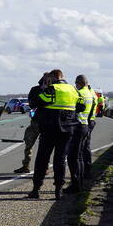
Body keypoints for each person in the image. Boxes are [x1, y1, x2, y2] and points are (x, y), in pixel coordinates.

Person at [27, 69, 81, 200]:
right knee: (60, 160)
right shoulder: (73, 90)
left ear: (52, 77)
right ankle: (58, 190)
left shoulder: (52, 89)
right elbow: (82, 107)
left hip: (49, 128)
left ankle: (36, 189)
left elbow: (35, 103)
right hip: (67, 129)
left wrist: (43, 89)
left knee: (42, 159)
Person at [13, 75, 46, 173]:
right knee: (34, 145)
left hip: (41, 121)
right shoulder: (42, 90)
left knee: (34, 145)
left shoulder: (40, 90)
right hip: (43, 121)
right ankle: (35, 166)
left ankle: (30, 166)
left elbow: (32, 104)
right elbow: (32, 104)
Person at [70, 76, 97, 183]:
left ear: (79, 83)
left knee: (76, 155)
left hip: (80, 124)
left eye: (76, 83)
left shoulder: (80, 93)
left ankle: (78, 180)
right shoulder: (91, 93)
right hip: (88, 122)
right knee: (84, 150)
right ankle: (86, 173)